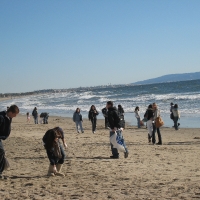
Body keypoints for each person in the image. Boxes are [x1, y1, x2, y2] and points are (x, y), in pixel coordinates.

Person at [0, 105, 19, 179]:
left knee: (1, 152)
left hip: (1, 137)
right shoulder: (1, 117)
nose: (15, 116)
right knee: (1, 151)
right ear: (11, 112)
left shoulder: (9, 117)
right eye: (15, 114)